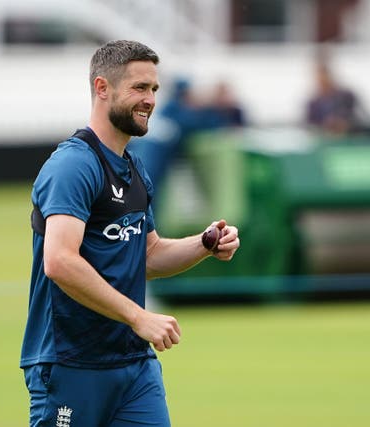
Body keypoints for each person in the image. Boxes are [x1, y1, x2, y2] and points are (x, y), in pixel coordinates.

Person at [20, 40, 240, 427]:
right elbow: (59, 261)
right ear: (102, 88)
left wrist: (204, 244)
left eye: (154, 89)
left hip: (134, 366)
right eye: (139, 88)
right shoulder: (73, 165)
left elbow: (147, 255)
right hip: (72, 363)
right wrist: (138, 316)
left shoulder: (133, 167)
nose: (150, 99)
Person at [305, 56, 363, 135]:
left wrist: (343, 124)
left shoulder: (346, 96)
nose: (322, 81)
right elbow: (310, 126)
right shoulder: (313, 104)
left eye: (324, 77)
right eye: (319, 78)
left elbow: (359, 117)